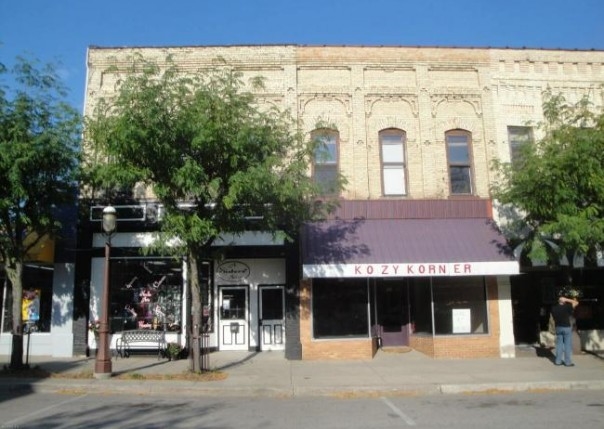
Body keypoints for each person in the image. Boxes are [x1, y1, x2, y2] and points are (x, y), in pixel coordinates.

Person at [550, 295, 579, 367]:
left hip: (558, 327)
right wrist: (567, 299)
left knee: (559, 345)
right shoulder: (567, 307)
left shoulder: (554, 308)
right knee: (567, 345)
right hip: (566, 327)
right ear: (563, 301)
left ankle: (558, 361)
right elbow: (576, 302)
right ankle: (567, 362)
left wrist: (562, 300)